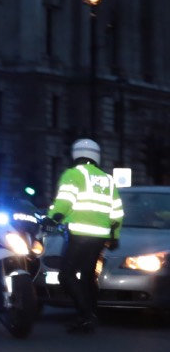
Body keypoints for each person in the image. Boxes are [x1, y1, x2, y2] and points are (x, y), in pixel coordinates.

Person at [49, 138, 123, 334]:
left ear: (75, 154)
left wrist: (52, 219)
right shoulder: (108, 179)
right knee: (88, 276)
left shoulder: (74, 174)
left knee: (66, 275)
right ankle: (88, 316)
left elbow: (65, 202)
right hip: (100, 237)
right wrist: (114, 236)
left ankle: (86, 314)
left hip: (80, 233)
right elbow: (116, 211)